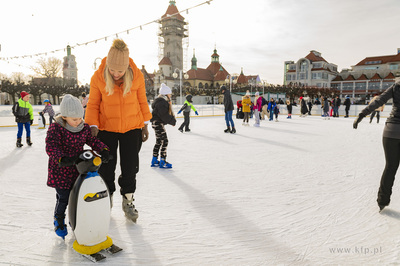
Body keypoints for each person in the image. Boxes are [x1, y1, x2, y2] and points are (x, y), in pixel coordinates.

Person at [85, 39, 152, 222]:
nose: (115, 74)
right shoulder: (98, 77)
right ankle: (107, 200)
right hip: (107, 130)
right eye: (112, 70)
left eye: (120, 71)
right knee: (106, 168)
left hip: (132, 128)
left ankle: (128, 200)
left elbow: (142, 101)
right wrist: (92, 126)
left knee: (130, 167)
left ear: (126, 68)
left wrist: (145, 124)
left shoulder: (137, 76)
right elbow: (93, 104)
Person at [45, 94, 109, 238]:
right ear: (65, 117)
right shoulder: (56, 128)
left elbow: (92, 141)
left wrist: (103, 150)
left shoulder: (84, 127)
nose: (79, 121)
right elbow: (51, 146)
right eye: (75, 119)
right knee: (64, 198)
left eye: (81, 117)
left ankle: (76, 220)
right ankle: (59, 219)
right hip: (61, 169)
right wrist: (61, 158)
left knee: (79, 197)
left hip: (78, 169)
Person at [353, 81, 400, 212]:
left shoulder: (396, 86)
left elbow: (378, 101)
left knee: (390, 167)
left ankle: (382, 201)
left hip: (390, 132)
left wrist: (362, 114)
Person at [150, 83, 176, 168]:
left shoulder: (160, 102)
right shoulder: (162, 103)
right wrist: (172, 121)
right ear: (165, 94)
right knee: (165, 141)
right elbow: (164, 115)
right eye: (169, 94)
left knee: (159, 141)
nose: (170, 95)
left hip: (156, 123)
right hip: (158, 124)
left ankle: (154, 159)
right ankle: (162, 161)